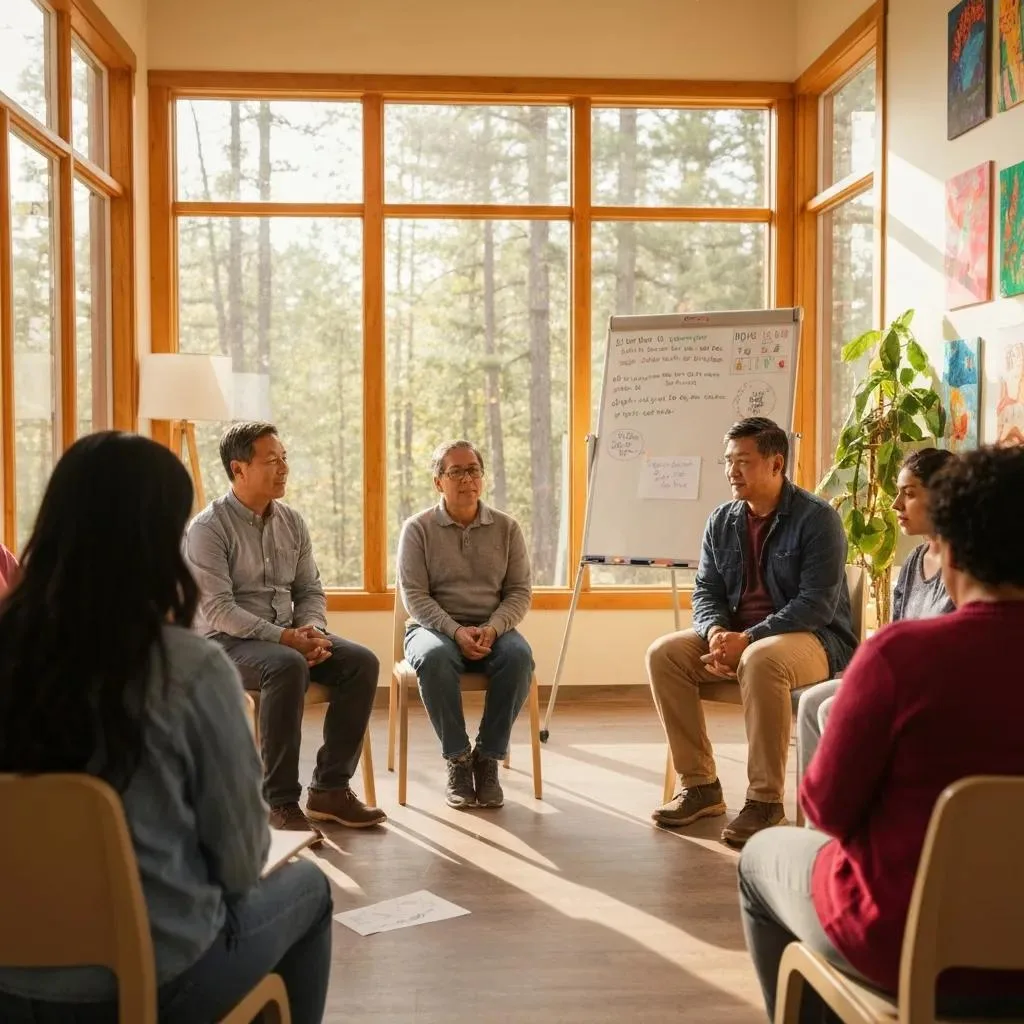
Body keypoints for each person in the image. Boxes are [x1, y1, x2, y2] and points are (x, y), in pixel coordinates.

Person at [0, 432, 332, 1024]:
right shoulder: (188, 668)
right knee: (309, 888)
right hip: (152, 982)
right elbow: (240, 863)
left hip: (10, 980)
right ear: (157, 543)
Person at [738, 444, 1024, 1022]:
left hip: (908, 945)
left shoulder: (902, 657)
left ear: (947, 546)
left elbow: (828, 808)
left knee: (759, 859)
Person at [647, 417, 856, 847]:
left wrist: (749, 638)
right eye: (728, 461)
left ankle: (764, 802)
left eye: (742, 461)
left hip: (814, 639)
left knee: (761, 660)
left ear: (776, 464)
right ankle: (700, 787)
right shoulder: (721, 520)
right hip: (740, 638)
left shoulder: (818, 519)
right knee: (664, 654)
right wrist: (715, 632)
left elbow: (815, 605)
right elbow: (706, 591)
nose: (731, 471)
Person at [184, 421, 385, 836]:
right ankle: (279, 800)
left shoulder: (292, 521)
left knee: (361, 662)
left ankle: (329, 790)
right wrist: (286, 639)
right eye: (272, 460)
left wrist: (311, 629)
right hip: (225, 642)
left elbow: (309, 589)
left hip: (287, 636)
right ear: (238, 469)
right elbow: (219, 610)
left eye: (284, 458)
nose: (283, 468)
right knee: (286, 666)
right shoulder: (208, 529)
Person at [795, 447, 956, 784]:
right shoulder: (914, 560)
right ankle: (813, 814)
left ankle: (849, 806)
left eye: (909, 493)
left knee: (831, 710)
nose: (896, 505)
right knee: (810, 702)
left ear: (943, 496)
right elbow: (895, 633)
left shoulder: (966, 567)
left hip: (931, 686)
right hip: (899, 677)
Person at [397, 439, 533, 810]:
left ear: (482, 478)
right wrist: (455, 632)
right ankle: (458, 759)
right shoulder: (417, 528)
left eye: (473, 470)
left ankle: (487, 758)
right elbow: (415, 596)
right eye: (455, 472)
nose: (466, 479)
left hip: (493, 629)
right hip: (433, 628)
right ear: (438, 481)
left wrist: (493, 628)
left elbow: (519, 592)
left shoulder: (507, 528)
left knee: (519, 657)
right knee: (435, 658)